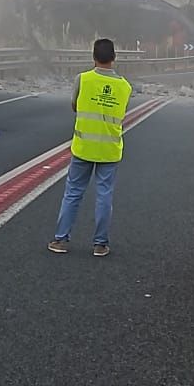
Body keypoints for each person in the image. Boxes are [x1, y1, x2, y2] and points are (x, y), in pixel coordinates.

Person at [49, 38, 133, 258]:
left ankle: (60, 240)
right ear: (114, 58)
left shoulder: (83, 79)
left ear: (94, 57)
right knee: (104, 195)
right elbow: (121, 112)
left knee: (73, 193)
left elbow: (74, 106)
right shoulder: (125, 86)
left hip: (83, 146)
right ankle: (100, 244)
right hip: (110, 150)